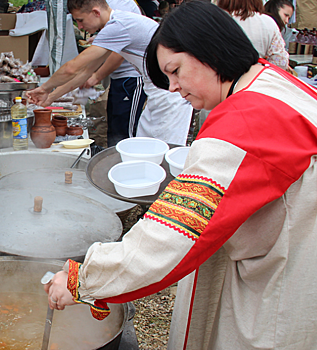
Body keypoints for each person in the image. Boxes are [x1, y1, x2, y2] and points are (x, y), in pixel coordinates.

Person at [44, 1, 317, 349]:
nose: (173, 87)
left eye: (176, 70)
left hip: (288, 277)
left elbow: (173, 233)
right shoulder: (270, 81)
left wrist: (83, 278)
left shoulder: (243, 126)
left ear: (210, 50)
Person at [27, 0, 192, 146]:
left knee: (163, 151)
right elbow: (85, 72)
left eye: (80, 20)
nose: (80, 27)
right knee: (145, 146)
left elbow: (73, 67)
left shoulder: (118, 26)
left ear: (96, 12)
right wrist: (50, 98)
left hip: (171, 93)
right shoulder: (113, 25)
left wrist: (45, 88)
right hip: (158, 91)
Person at [81, 0, 147, 147]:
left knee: (124, 134)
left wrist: (96, 76)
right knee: (114, 129)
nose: (80, 26)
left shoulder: (121, 5)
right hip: (120, 77)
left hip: (131, 78)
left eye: (80, 21)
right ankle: (114, 163)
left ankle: (124, 165)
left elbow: (119, 52)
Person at [217, 0, 289, 70]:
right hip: (255, 77)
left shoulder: (216, 19)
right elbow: (280, 62)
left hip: (221, 76)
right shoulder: (268, 22)